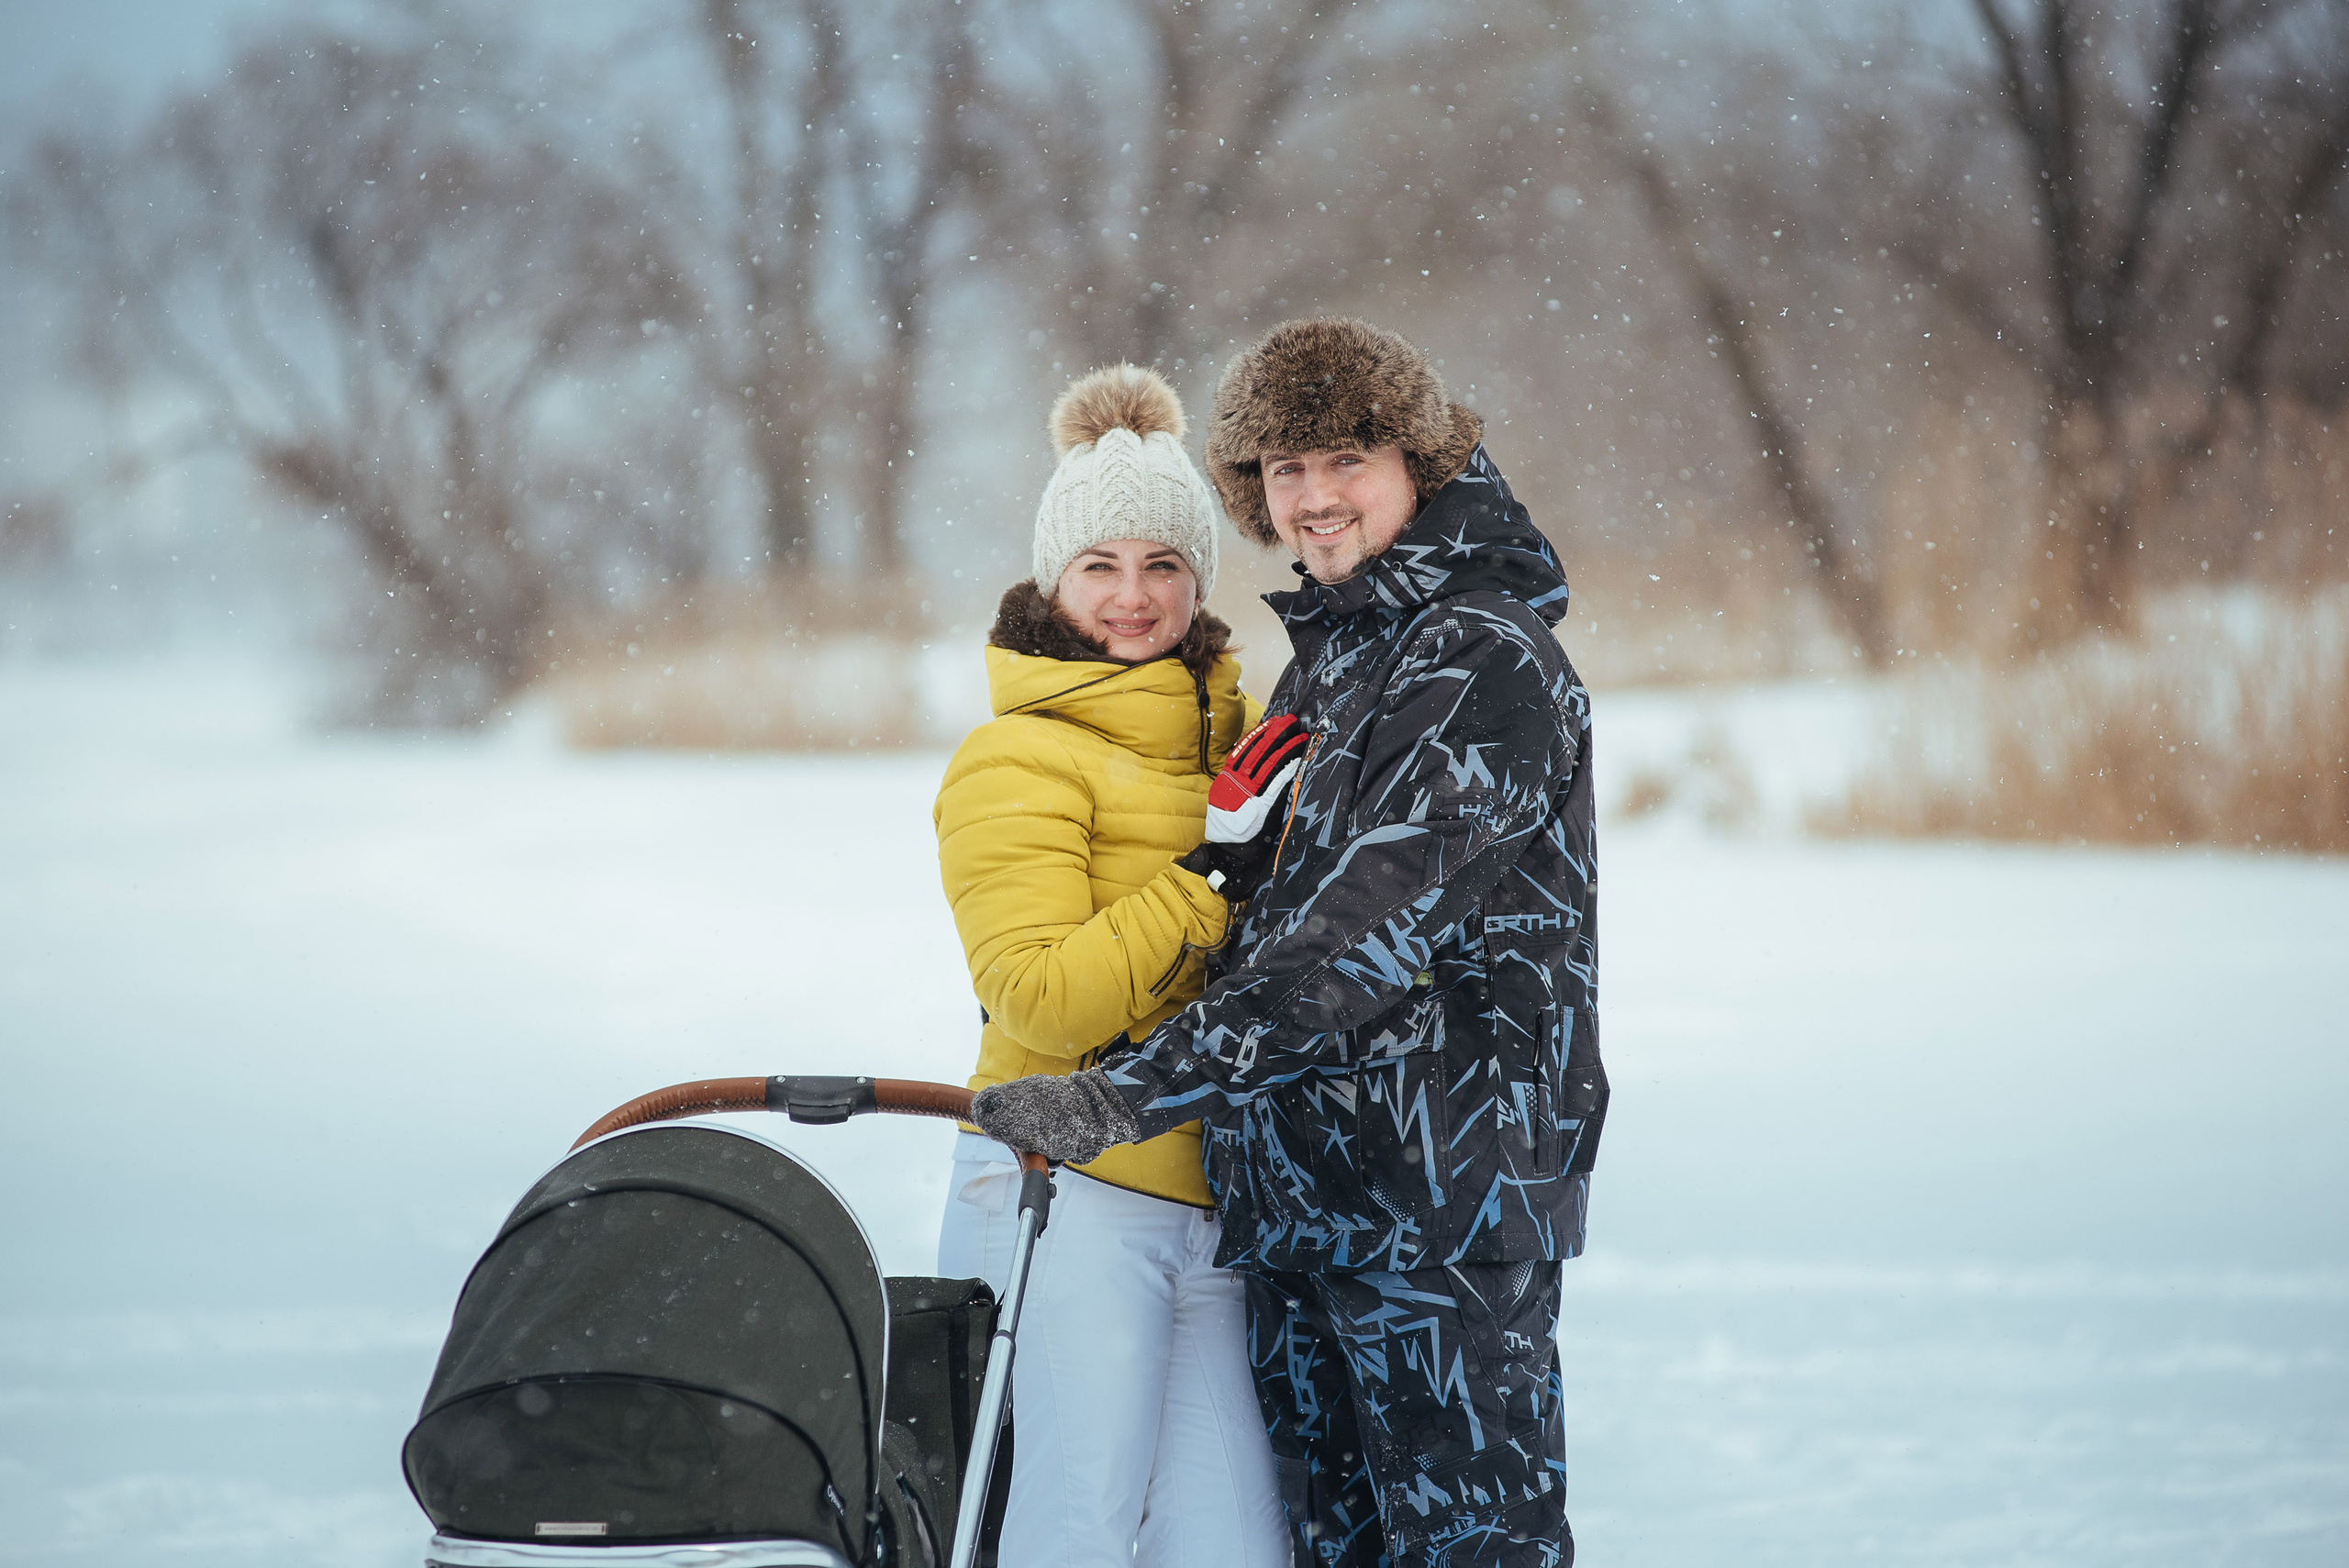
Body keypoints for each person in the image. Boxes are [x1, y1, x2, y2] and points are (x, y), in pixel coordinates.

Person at [972, 318, 1610, 1568]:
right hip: (1305, 1214)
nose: (1314, 500)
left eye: (1344, 460)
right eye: (1282, 470)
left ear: (1418, 459)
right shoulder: (1329, 661)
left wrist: (1122, 1096)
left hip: (1441, 1216)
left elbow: (1350, 948)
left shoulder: (1482, 658)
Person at [932, 363, 1291, 1568]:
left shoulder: (1243, 742)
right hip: (1060, 1187)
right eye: (1101, 566)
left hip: (1213, 1200)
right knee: (1070, 1538)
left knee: (1231, 1543)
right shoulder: (1014, 757)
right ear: (1053, 579)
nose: (1134, 598)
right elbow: (1039, 993)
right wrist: (1212, 878)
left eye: (1163, 566)